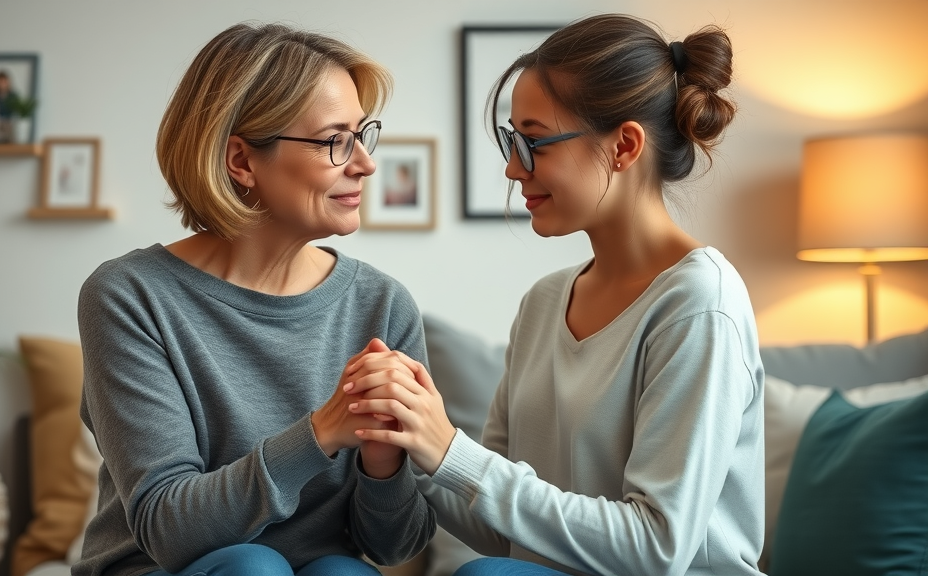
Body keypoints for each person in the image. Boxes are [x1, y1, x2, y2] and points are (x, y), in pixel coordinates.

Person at [344, 13, 764, 576]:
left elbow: (656, 549)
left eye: (534, 142)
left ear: (624, 146)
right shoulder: (543, 303)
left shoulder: (699, 304)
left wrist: (451, 451)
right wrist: (407, 443)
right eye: (510, 141)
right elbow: (499, 530)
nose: (514, 169)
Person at [73, 23, 436, 576]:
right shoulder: (129, 297)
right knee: (252, 568)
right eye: (335, 140)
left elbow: (392, 546)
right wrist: (322, 433)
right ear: (241, 161)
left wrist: (382, 464)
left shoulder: (383, 306)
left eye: (363, 134)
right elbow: (168, 531)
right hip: (164, 569)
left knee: (346, 574)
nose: (364, 162)